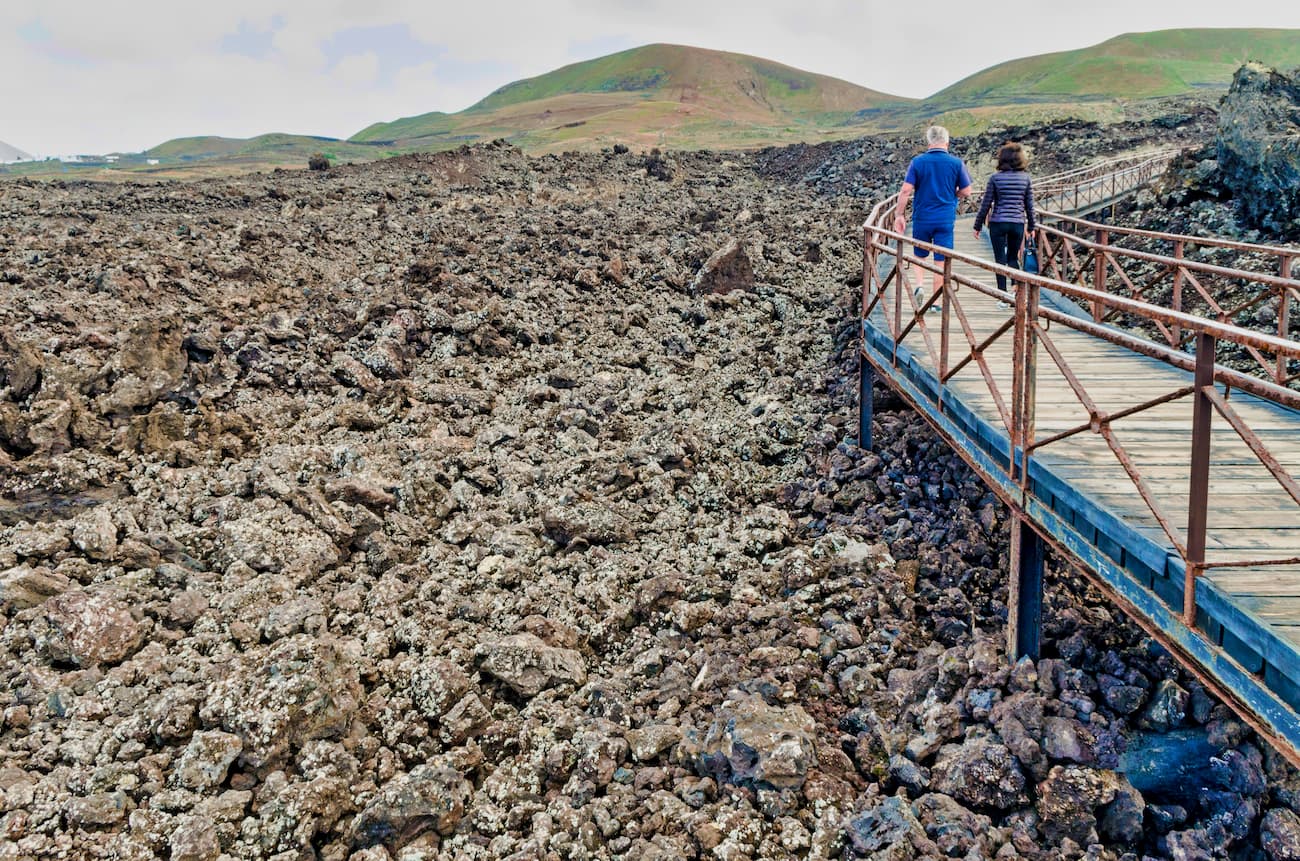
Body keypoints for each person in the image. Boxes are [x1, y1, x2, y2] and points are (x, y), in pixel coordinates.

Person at [893, 125, 973, 305]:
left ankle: (919, 285)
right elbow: (967, 191)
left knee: (920, 255)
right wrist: (954, 195)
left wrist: (899, 215)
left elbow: (905, 191)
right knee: (941, 259)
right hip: (945, 218)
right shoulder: (956, 163)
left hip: (922, 217)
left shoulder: (917, 162)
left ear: (928, 142)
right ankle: (935, 303)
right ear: (947, 142)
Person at [973, 141, 1037, 293]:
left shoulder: (995, 178)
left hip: (998, 223)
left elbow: (986, 204)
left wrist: (977, 225)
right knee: (1013, 258)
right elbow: (1029, 206)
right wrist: (1031, 227)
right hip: (1017, 223)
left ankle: (1002, 293)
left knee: (1000, 259)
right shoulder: (1025, 179)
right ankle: (1015, 286)